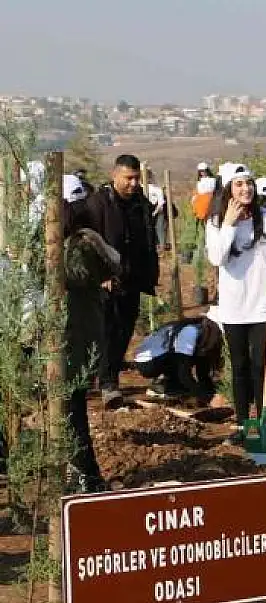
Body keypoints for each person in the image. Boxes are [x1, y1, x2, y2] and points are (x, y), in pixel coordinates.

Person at [205, 163, 266, 443]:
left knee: (261, 365)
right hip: (233, 307)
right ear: (227, 189)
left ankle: (262, 420)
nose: (246, 189)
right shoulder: (216, 223)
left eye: (248, 183)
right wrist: (229, 224)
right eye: (239, 184)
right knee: (240, 365)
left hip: (262, 305)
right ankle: (243, 425)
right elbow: (217, 258)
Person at [81, 154, 160, 408]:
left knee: (123, 331)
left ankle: (108, 377)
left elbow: (148, 241)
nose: (133, 184)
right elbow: (86, 241)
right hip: (105, 282)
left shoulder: (141, 204)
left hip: (132, 280)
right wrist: (99, 273)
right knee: (105, 331)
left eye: (136, 178)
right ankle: (105, 383)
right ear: (115, 175)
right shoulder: (97, 204)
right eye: (128, 178)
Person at [60, 175, 122, 492]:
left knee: (72, 410)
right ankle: (82, 472)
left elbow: (74, 276)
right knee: (71, 410)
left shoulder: (80, 245)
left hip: (74, 341)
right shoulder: (79, 242)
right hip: (76, 337)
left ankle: (86, 476)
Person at [134, 316, 223, 406]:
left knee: (198, 357)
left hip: (158, 358)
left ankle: (169, 384)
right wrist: (209, 398)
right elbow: (184, 374)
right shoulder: (190, 332)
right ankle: (168, 387)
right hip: (148, 362)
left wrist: (210, 390)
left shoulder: (201, 333)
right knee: (185, 370)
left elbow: (202, 372)